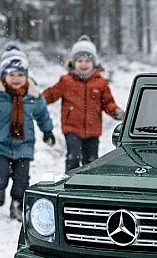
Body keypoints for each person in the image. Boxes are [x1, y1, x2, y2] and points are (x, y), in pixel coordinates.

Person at [0, 43, 55, 221]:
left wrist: (47, 131)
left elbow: (42, 114)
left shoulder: (33, 95)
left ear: (26, 76)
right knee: (0, 173)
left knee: (22, 179)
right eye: (11, 74)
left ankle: (17, 205)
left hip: (24, 145)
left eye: (20, 74)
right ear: (3, 75)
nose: (16, 79)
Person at [42, 35, 125, 172]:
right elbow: (51, 94)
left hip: (93, 130)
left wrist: (116, 112)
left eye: (87, 60)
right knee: (73, 157)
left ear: (94, 63)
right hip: (72, 128)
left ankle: (88, 185)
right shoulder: (66, 81)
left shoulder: (100, 83)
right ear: (73, 63)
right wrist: (37, 100)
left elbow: (108, 103)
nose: (83, 64)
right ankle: (69, 182)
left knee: (91, 161)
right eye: (80, 60)